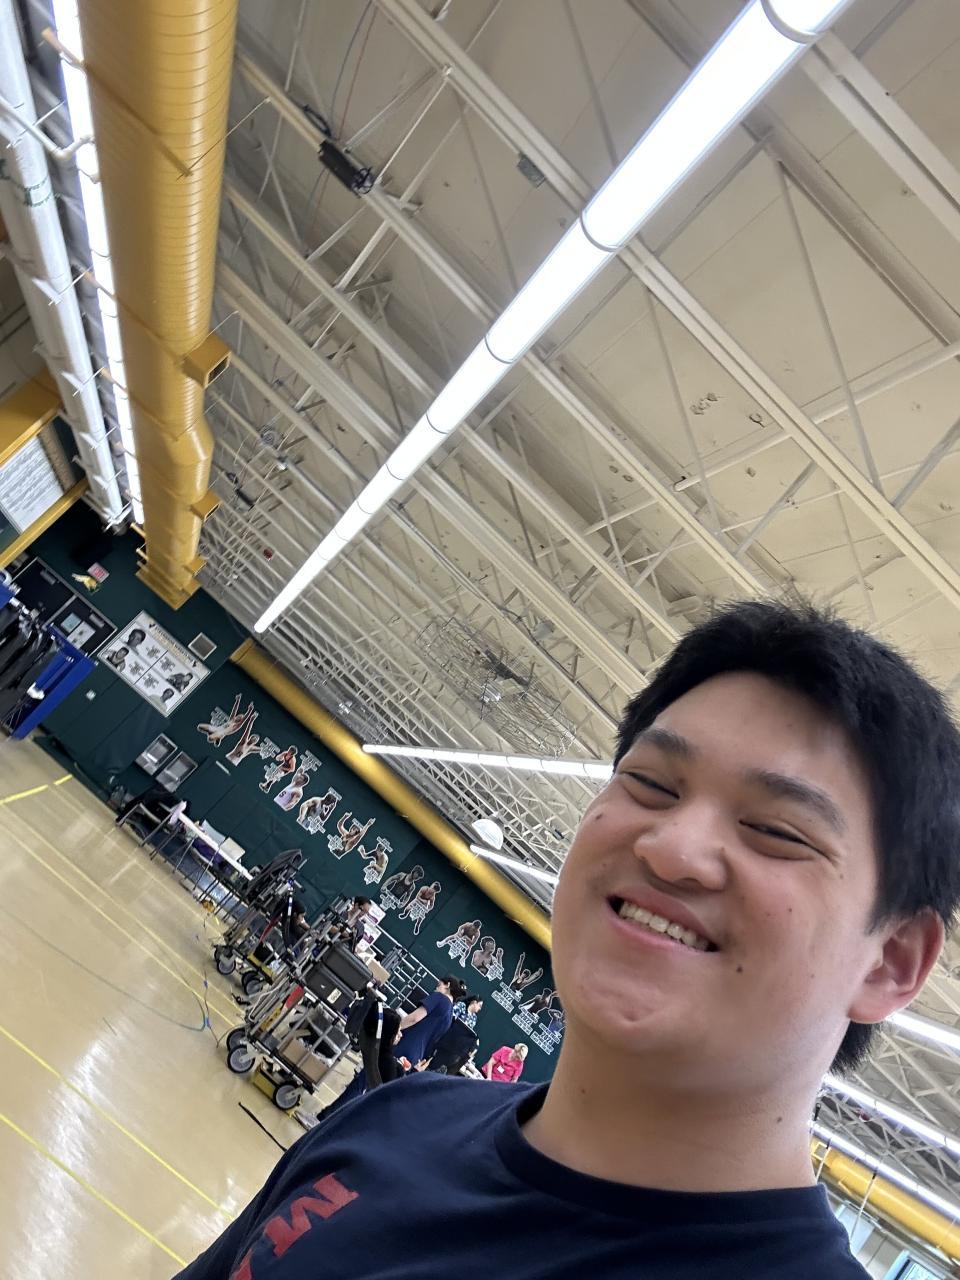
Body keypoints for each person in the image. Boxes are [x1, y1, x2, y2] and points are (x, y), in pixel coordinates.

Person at [174, 601, 960, 1279]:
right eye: (651, 784)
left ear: (891, 961)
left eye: (776, 830)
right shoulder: (391, 1123)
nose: (672, 848)